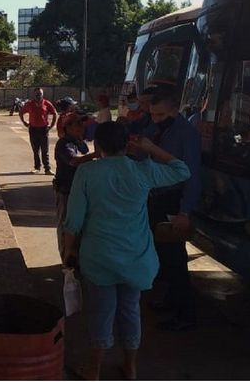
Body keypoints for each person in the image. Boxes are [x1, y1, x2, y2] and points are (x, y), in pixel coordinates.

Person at [63, 121, 190, 380]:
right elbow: (182, 170)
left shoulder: (87, 173)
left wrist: (68, 251)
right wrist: (152, 148)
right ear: (127, 144)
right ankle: (130, 368)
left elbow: (73, 220)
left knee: (101, 311)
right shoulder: (143, 170)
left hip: (99, 257)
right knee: (131, 309)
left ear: (97, 146)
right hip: (137, 257)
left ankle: (94, 370)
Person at [146, 85, 202, 331]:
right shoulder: (158, 129)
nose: (155, 120)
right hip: (156, 197)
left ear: (174, 111)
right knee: (163, 256)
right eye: (153, 115)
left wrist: (184, 211)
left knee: (175, 259)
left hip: (173, 199)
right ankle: (171, 301)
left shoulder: (186, 133)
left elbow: (192, 174)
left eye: (160, 115)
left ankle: (186, 313)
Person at [53, 114, 97, 262]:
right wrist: (97, 154)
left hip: (78, 190)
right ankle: (66, 260)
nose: (82, 127)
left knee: (78, 226)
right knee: (66, 225)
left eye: (82, 123)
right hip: (66, 190)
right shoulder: (63, 144)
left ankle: (75, 257)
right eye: (78, 124)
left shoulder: (78, 142)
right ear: (68, 128)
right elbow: (74, 161)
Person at [19, 87, 58, 175]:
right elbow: (21, 112)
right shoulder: (29, 104)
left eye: (40, 94)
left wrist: (51, 125)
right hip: (33, 129)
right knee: (35, 150)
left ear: (42, 94)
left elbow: (55, 113)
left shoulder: (47, 103)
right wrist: (24, 122)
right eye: (36, 94)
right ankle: (37, 167)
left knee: (45, 150)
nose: (38, 96)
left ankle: (47, 169)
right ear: (34, 94)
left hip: (43, 129)